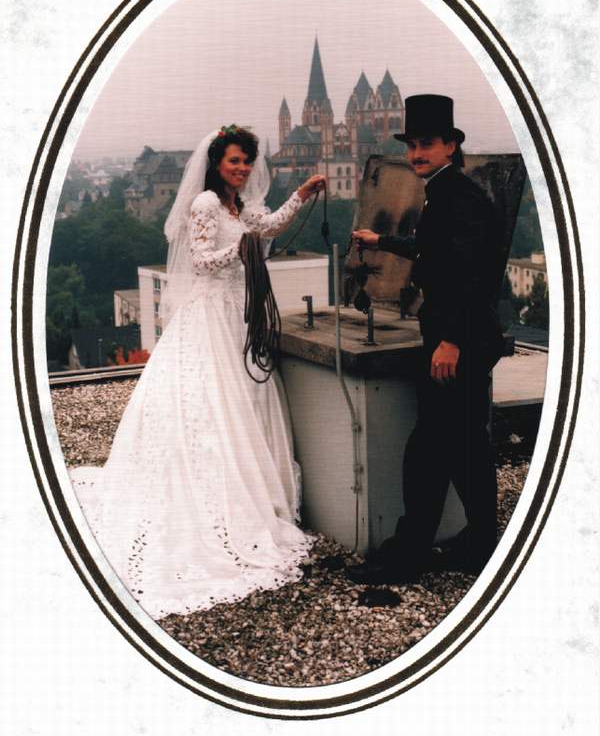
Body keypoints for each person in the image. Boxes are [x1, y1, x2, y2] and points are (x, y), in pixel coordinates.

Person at [70, 125, 325, 619]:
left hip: (238, 315)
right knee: (210, 404)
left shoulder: (238, 205)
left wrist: (300, 194)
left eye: (247, 162)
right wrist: (241, 249)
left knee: (243, 402)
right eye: (235, 161)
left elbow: (269, 227)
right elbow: (202, 262)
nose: (243, 169)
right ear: (216, 164)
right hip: (211, 316)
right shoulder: (206, 204)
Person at [347, 95, 505, 584]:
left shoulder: (459, 198)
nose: (416, 153)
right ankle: (481, 544)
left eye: (427, 144)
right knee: (464, 447)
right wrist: (382, 241)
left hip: (458, 340)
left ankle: (409, 553)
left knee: (429, 451)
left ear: (451, 145)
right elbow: (434, 251)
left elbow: (472, 275)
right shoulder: (447, 190)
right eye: (412, 145)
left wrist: (451, 341)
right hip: (463, 337)